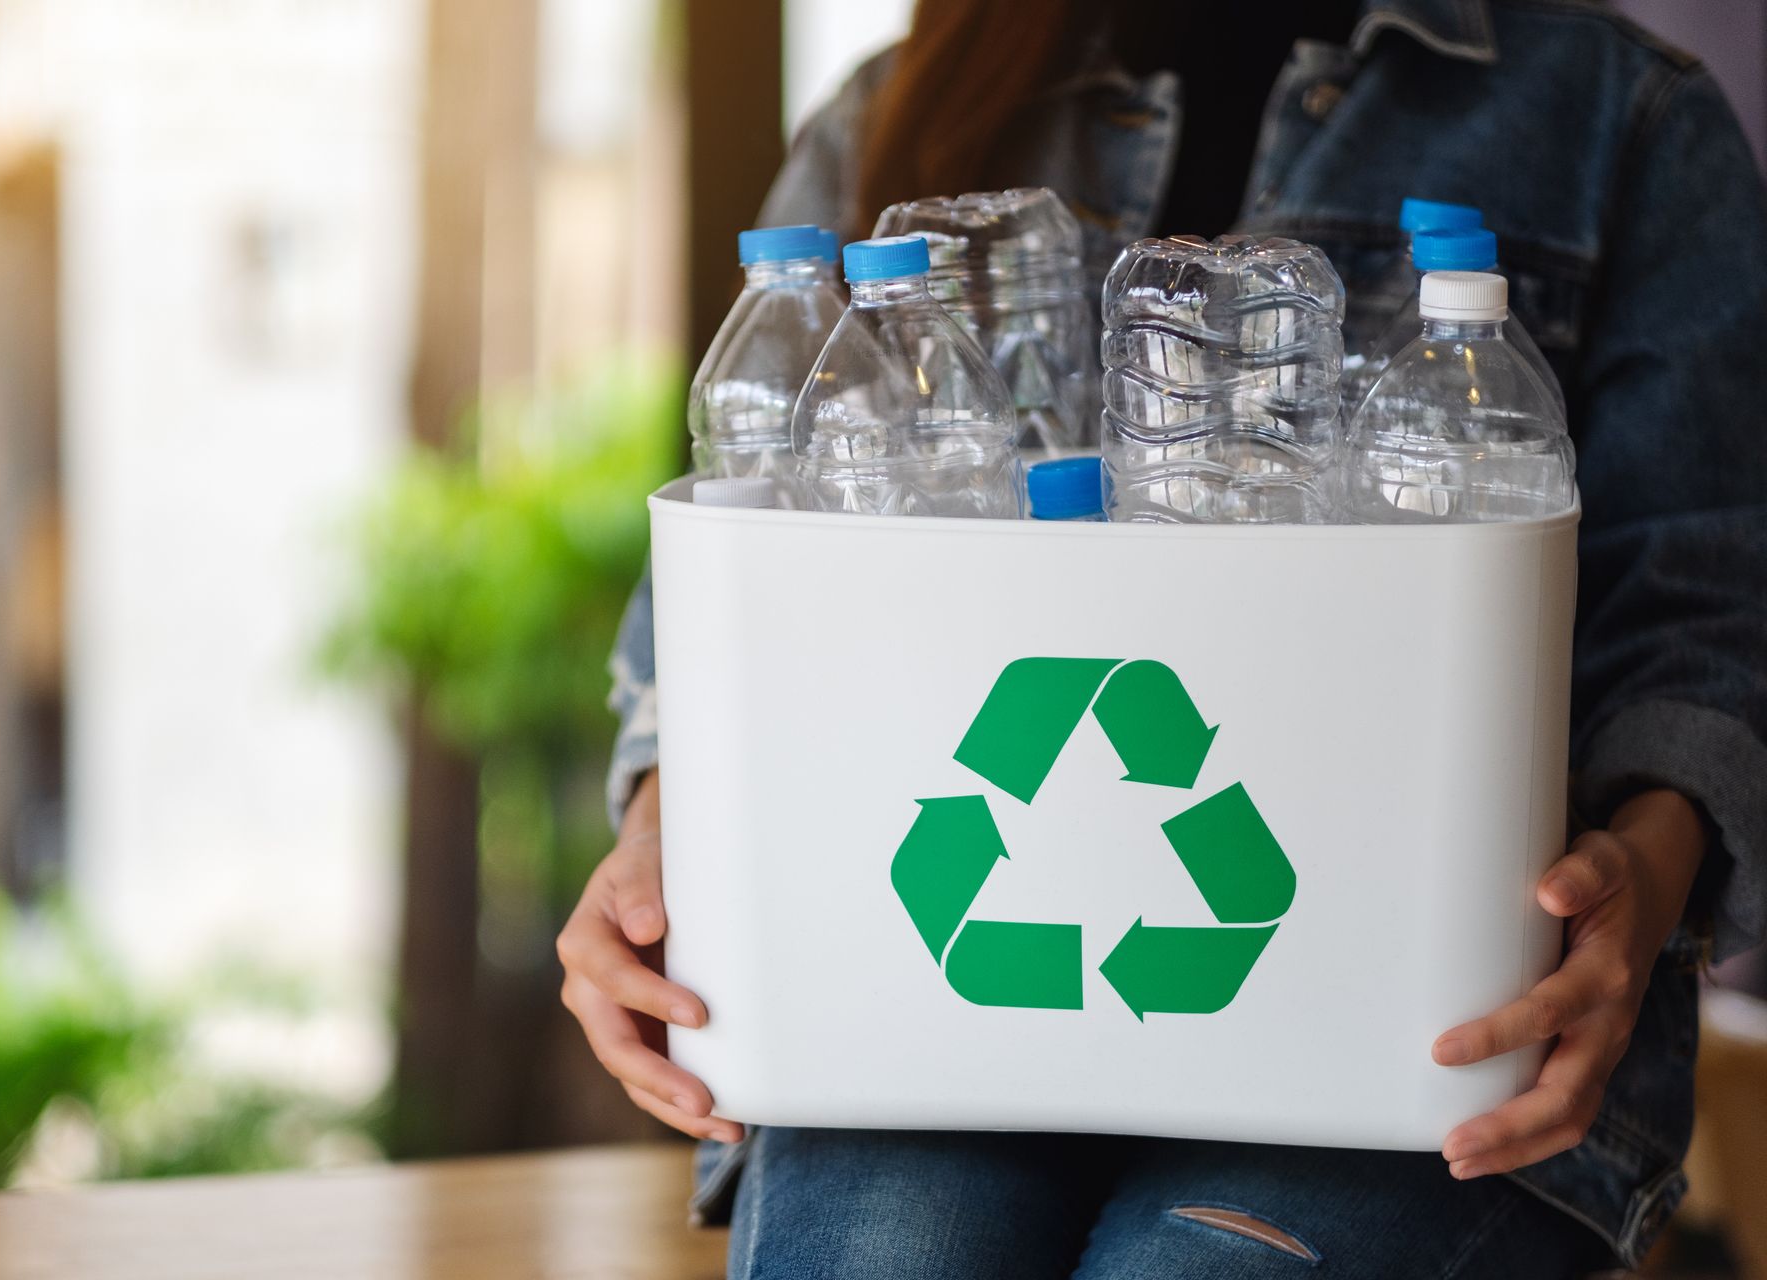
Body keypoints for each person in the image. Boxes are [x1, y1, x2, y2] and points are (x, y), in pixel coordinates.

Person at [558, 0, 1767, 1274]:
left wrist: (1646, 868)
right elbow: (732, 594)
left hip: (1407, 1040)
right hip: (913, 1023)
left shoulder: (1616, 114)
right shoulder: (901, 100)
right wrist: (657, 844)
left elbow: (1709, 604)